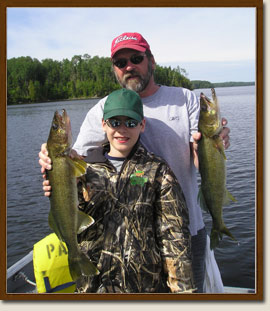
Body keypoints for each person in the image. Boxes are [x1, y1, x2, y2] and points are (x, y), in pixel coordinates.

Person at [39, 32, 230, 293]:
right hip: (130, 234)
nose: (129, 66)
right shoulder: (104, 108)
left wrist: (214, 146)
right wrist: (51, 167)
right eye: (120, 63)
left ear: (151, 60)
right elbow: (75, 161)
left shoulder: (185, 99)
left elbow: (200, 156)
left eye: (136, 58)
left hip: (184, 231)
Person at [75, 88, 195, 293]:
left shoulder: (158, 171)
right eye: (115, 122)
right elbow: (69, 219)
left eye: (131, 123)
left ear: (142, 125)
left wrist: (184, 292)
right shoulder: (83, 171)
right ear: (103, 124)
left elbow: (173, 238)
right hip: (93, 290)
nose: (122, 130)